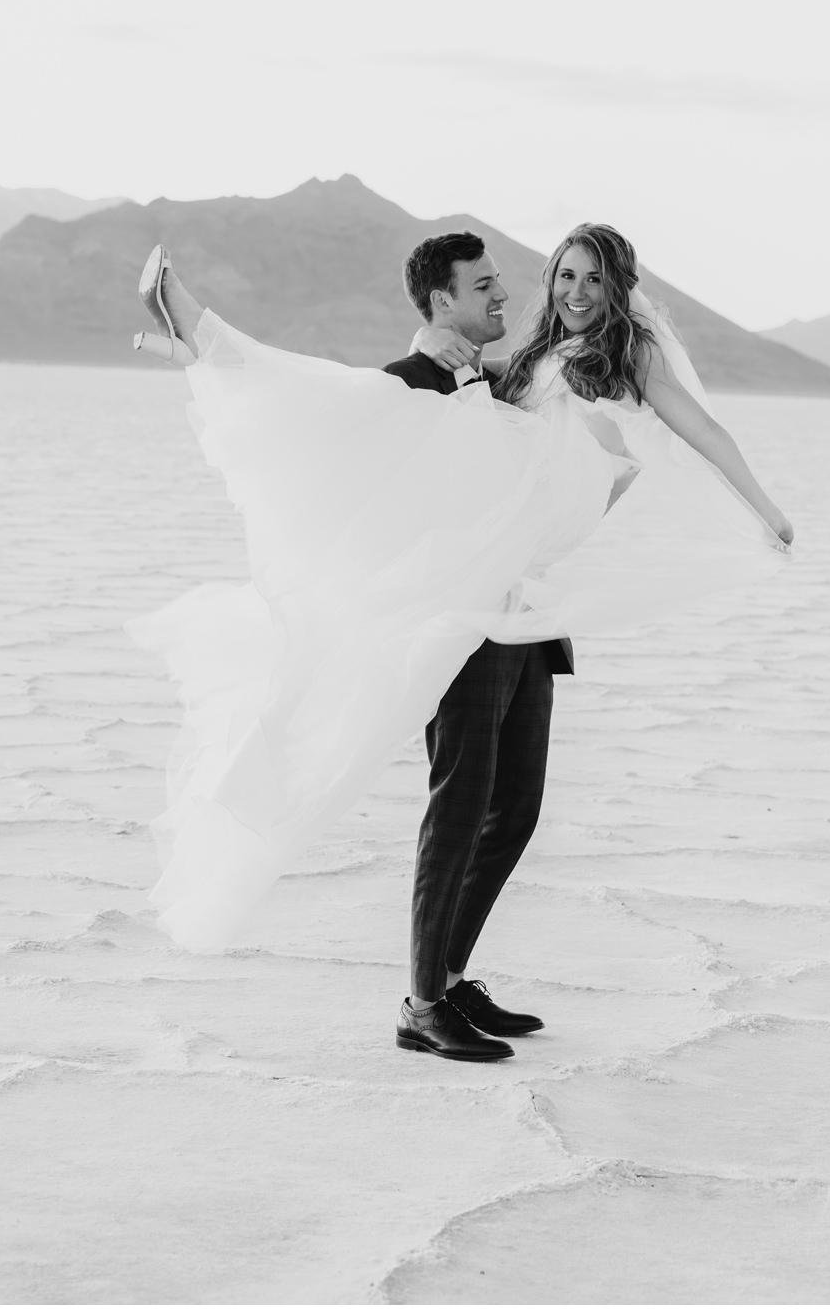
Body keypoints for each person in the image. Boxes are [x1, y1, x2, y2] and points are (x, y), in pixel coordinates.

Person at [128, 225, 792, 1060]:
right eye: (562, 276)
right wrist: (210, 366)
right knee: (461, 801)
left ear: (619, 286)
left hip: (530, 614)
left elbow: (696, 434)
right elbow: (386, 415)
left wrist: (764, 514)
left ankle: (448, 974)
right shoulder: (518, 362)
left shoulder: (618, 361)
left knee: (514, 808)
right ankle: (422, 1002)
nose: (570, 292)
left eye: (590, 278)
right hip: (472, 614)